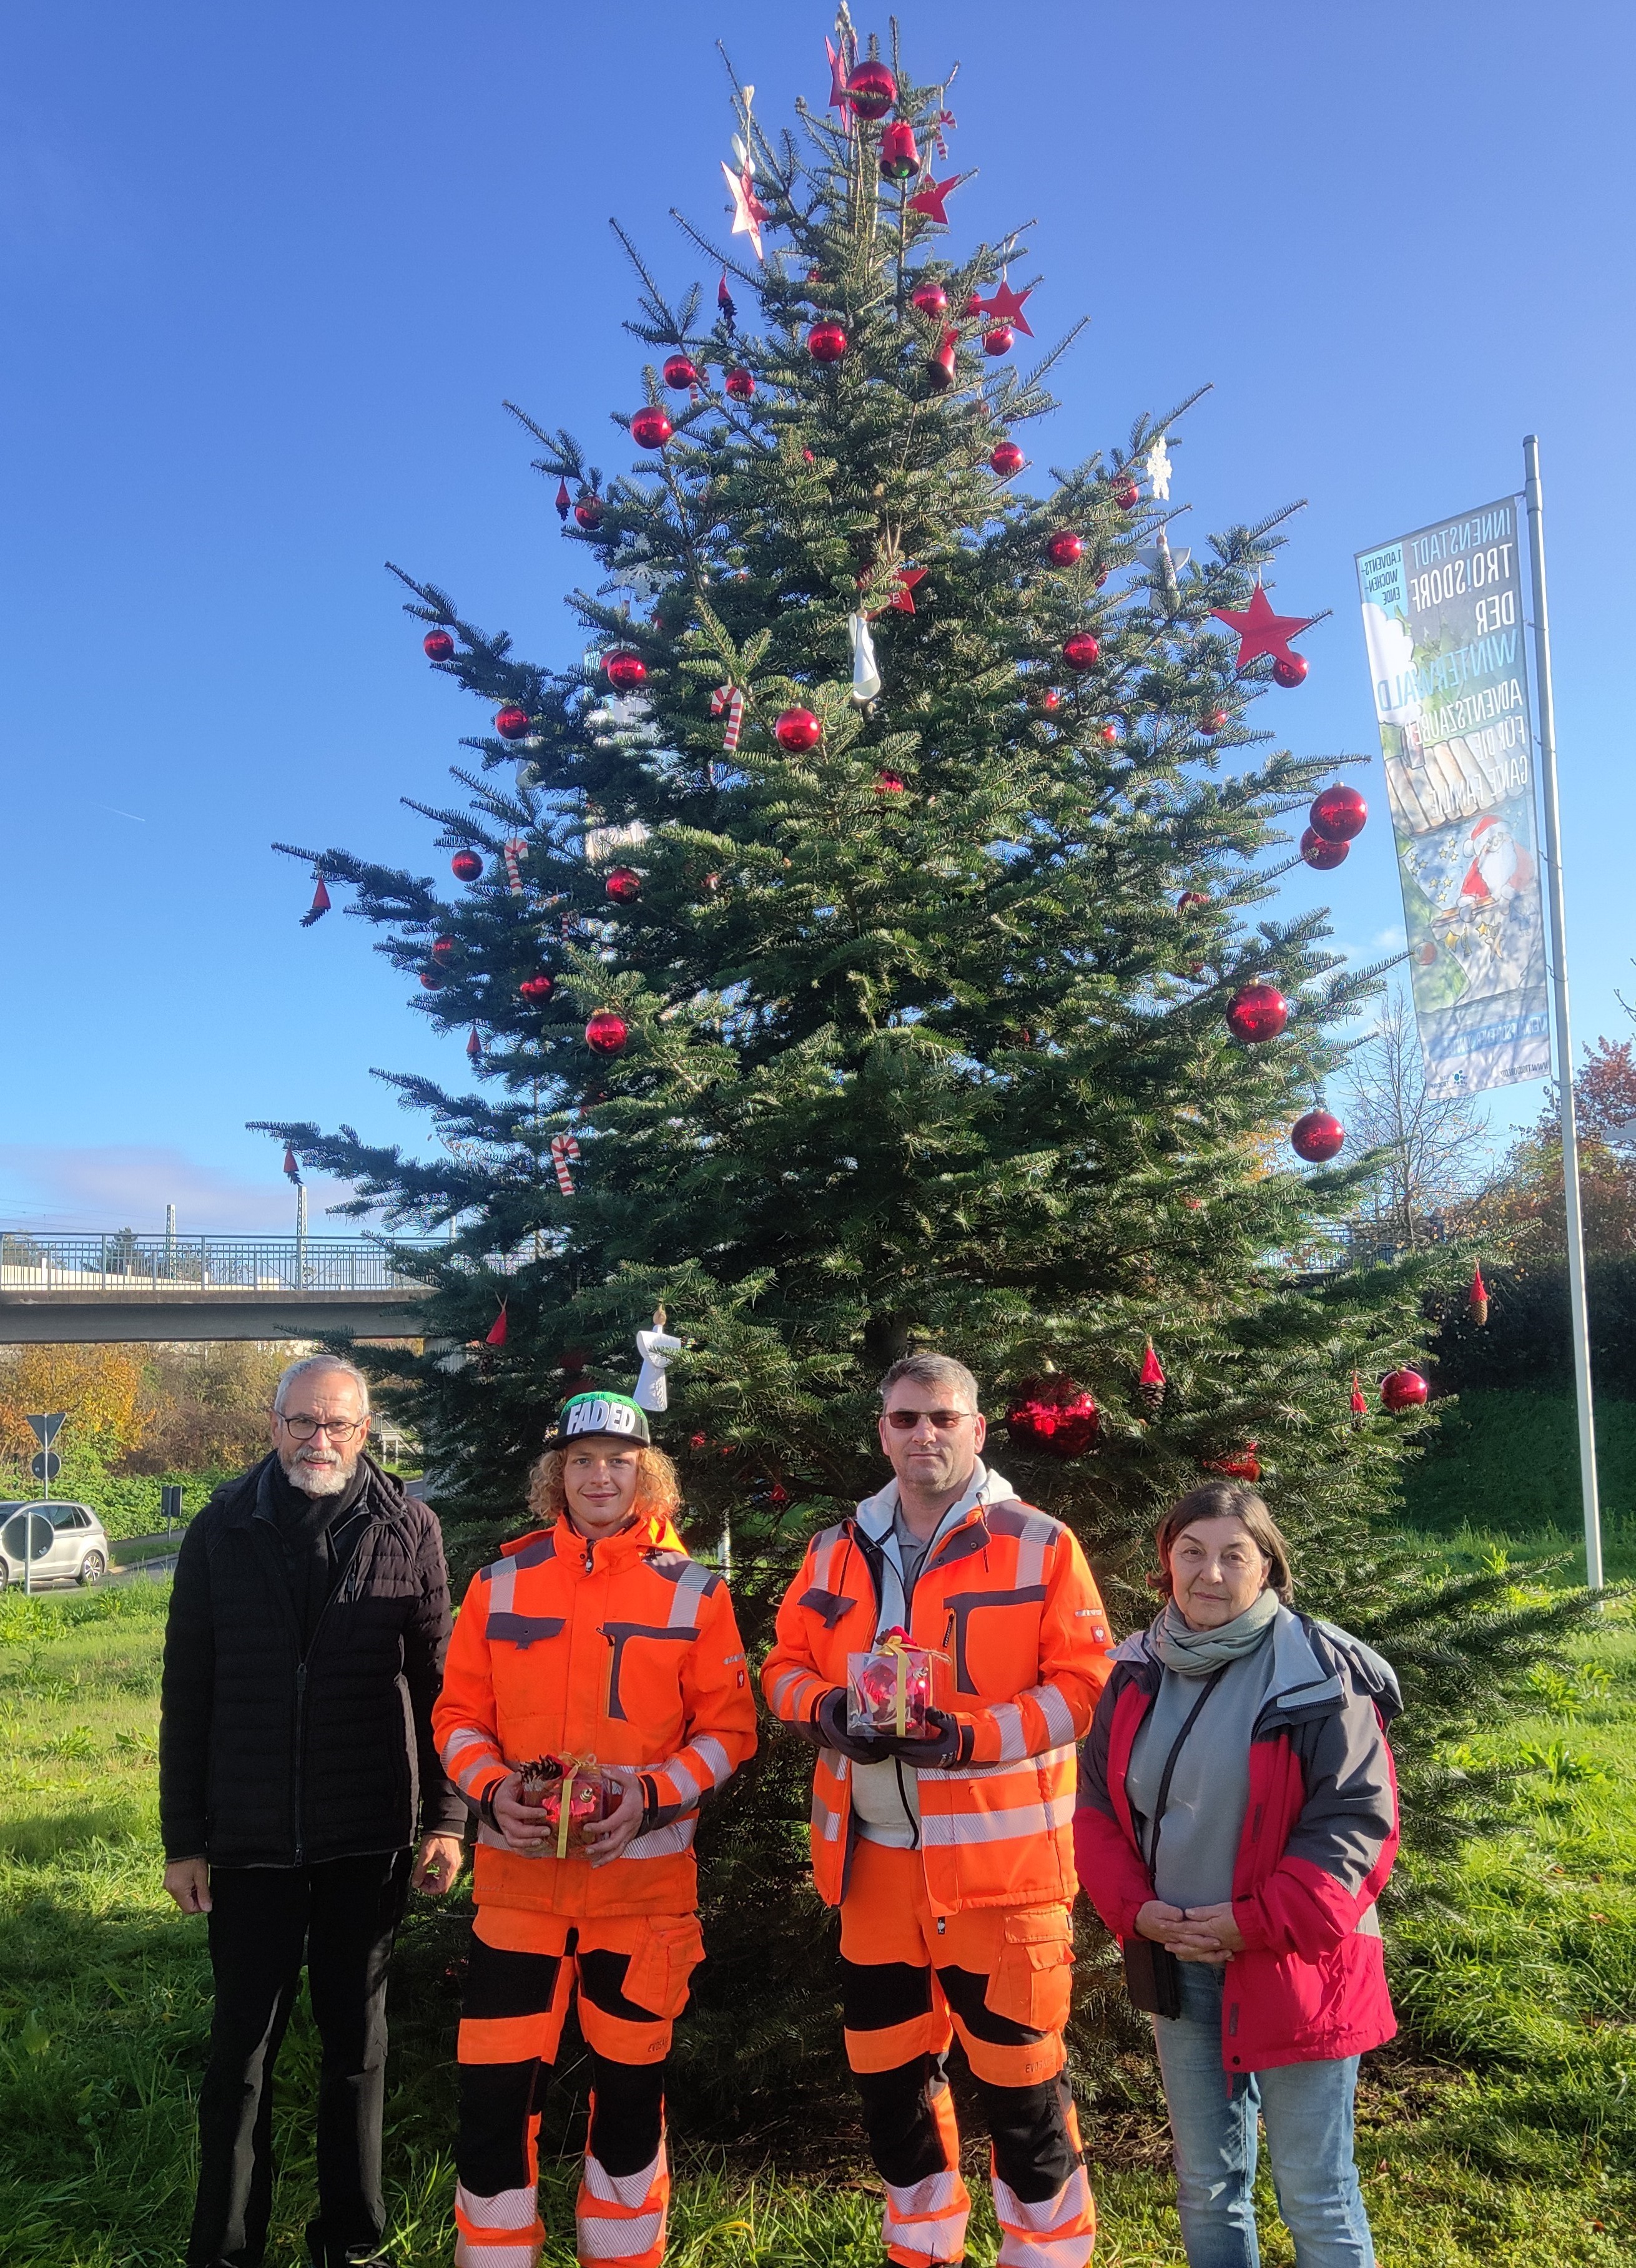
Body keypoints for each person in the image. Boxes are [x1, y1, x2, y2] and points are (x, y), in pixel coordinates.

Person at [762, 1352, 1113, 2268]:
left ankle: (1045, 2256)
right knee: (892, 2092)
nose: (926, 1435)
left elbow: (1085, 1687)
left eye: (944, 1418)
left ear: (978, 1428)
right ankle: (921, 2254)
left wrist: (970, 1737)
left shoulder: (1041, 1543)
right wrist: (825, 1711)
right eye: (908, 1418)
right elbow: (781, 1667)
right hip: (872, 1867)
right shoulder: (836, 1547)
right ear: (883, 1430)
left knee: (1025, 2096)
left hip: (1003, 1883)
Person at [433, 1390, 757, 2268]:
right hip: (516, 1898)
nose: (601, 1475)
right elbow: (457, 1715)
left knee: (627, 2108)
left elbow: (731, 1730)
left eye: (620, 1460)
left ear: (647, 1474)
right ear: (556, 1475)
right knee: (495, 2103)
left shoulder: (693, 1590)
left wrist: (650, 1796)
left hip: (642, 1902)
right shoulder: (499, 1582)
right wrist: (493, 1789)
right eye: (582, 1461)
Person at [159, 1353, 465, 2268]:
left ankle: (350, 2243)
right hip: (247, 1839)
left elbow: (441, 1689)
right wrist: (185, 1840)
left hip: (365, 1837)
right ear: (273, 1424)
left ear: (364, 1432)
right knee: (239, 2061)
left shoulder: (410, 1526)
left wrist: (448, 1820)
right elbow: (189, 1688)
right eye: (303, 1422)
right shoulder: (220, 1528)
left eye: (338, 1424)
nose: (318, 1440)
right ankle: (224, 2248)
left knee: (356, 2053)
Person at [1075, 1482, 1401, 2268]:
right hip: (1178, 1962)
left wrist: (1251, 1923)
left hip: (1298, 1965)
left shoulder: (1321, 1674)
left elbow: (1355, 1825)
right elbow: (1095, 1809)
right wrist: (1137, 1912)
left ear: (1268, 1569)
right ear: (1167, 1563)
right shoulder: (1135, 1670)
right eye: (1192, 1552)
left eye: (1233, 1556)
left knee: (1314, 2188)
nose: (1209, 1574)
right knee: (1206, 2184)